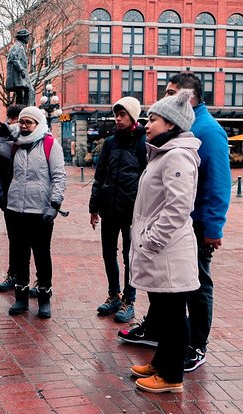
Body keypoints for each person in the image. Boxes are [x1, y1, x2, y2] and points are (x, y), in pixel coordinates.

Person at [119, 73, 231, 374]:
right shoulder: (167, 143)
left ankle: (193, 347)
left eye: (171, 94)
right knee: (168, 297)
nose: (165, 98)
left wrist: (213, 227)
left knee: (191, 291)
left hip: (187, 229)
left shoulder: (206, 132)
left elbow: (218, 183)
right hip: (168, 231)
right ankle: (162, 349)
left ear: (188, 98)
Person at [128, 88, 201, 394]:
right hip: (161, 251)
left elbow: (178, 207)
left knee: (172, 315)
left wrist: (151, 242)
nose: (146, 124)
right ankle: (161, 362)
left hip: (168, 252)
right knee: (163, 311)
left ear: (171, 124)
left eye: (153, 119)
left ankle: (171, 376)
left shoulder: (177, 157)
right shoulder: (165, 153)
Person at [0, 106, 66, 319]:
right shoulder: (15, 146)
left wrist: (55, 204)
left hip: (40, 211)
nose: (23, 126)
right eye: (21, 122)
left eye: (28, 123)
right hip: (15, 209)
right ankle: (20, 298)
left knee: (42, 256)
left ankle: (44, 298)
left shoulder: (50, 144)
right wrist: (10, 131)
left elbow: (59, 176)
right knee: (20, 255)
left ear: (38, 124)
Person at [89, 96, 146, 323]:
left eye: (122, 115)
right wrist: (94, 207)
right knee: (108, 253)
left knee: (129, 256)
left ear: (133, 116)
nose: (118, 119)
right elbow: (99, 175)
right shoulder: (110, 142)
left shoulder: (143, 142)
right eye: (116, 115)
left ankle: (129, 300)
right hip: (109, 209)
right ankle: (114, 294)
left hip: (132, 211)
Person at [0, 103, 25, 293]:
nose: (10, 123)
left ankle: (35, 280)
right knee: (14, 240)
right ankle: (13, 274)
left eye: (14, 120)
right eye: (10, 119)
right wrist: (1, 198)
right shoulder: (6, 143)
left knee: (33, 243)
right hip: (10, 202)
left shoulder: (35, 142)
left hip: (31, 201)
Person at [6, 29, 32, 106]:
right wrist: (21, 70)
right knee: (27, 90)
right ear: (23, 37)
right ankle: (23, 109)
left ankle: (22, 109)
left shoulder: (20, 46)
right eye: (27, 36)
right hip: (18, 75)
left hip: (19, 75)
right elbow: (14, 58)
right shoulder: (18, 46)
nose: (28, 38)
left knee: (22, 92)